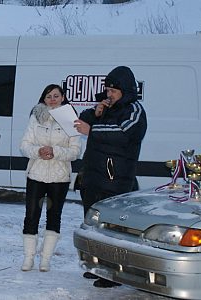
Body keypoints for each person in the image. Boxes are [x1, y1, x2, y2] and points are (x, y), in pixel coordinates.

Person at [74, 66, 147, 288]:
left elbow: (123, 133)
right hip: (93, 177)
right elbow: (82, 121)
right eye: (107, 90)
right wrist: (96, 113)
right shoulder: (106, 107)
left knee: (114, 231)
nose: (109, 94)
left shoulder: (134, 110)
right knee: (94, 228)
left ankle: (115, 273)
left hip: (115, 180)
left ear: (125, 90)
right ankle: (99, 267)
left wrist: (93, 130)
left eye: (113, 91)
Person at [19, 84, 81, 272]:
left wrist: (55, 152)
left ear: (63, 97)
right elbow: (24, 145)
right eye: (48, 96)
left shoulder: (71, 120)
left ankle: (45, 260)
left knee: (54, 217)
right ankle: (28, 258)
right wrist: (38, 151)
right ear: (43, 99)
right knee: (31, 216)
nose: (52, 99)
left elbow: (76, 151)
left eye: (56, 96)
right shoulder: (35, 117)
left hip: (59, 177)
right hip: (36, 174)